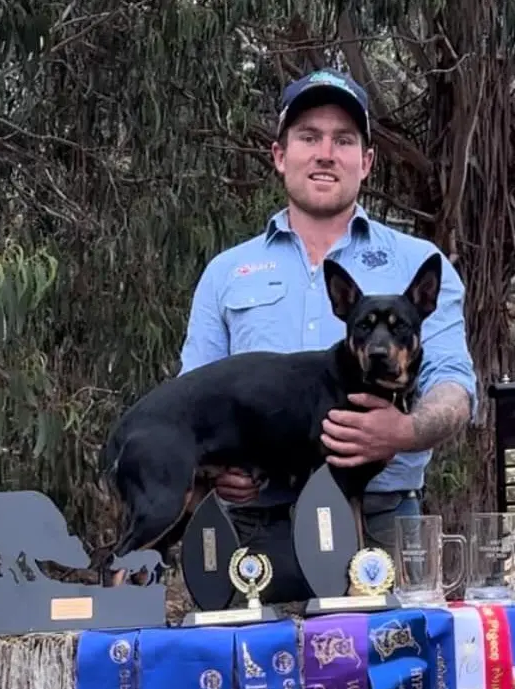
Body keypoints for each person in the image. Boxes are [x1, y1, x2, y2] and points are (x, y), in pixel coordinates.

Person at [178, 68, 477, 603]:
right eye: (309, 137)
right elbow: (193, 400)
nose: (325, 153)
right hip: (255, 533)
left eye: (344, 140)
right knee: (264, 688)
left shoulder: (420, 266)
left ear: (366, 161)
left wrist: (403, 432)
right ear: (279, 155)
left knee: (395, 685)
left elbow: (454, 386)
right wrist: (216, 469)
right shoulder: (227, 273)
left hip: (381, 529)